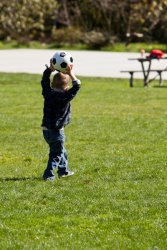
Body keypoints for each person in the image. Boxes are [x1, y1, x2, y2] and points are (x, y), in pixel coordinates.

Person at [41, 60, 81, 180]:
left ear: (52, 84)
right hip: (57, 131)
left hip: (46, 130)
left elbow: (44, 80)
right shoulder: (65, 97)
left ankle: (63, 171)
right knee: (56, 153)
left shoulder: (47, 93)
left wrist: (50, 70)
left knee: (61, 150)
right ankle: (48, 175)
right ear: (67, 87)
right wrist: (70, 73)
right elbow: (78, 85)